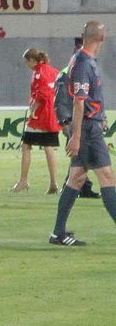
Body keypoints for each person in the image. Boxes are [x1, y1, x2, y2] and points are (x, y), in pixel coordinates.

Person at [50, 21, 116, 246]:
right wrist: (76, 137)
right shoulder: (82, 63)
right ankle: (57, 233)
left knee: (76, 178)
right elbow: (79, 103)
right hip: (87, 129)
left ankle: (58, 233)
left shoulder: (83, 61)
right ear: (102, 38)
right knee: (107, 178)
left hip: (89, 127)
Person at [14, 47, 62, 194]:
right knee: (48, 147)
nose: (27, 65)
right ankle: (54, 182)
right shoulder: (54, 71)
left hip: (40, 117)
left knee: (26, 145)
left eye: (27, 62)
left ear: (32, 60)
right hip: (52, 115)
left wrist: (32, 110)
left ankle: (23, 180)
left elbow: (41, 95)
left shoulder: (38, 73)